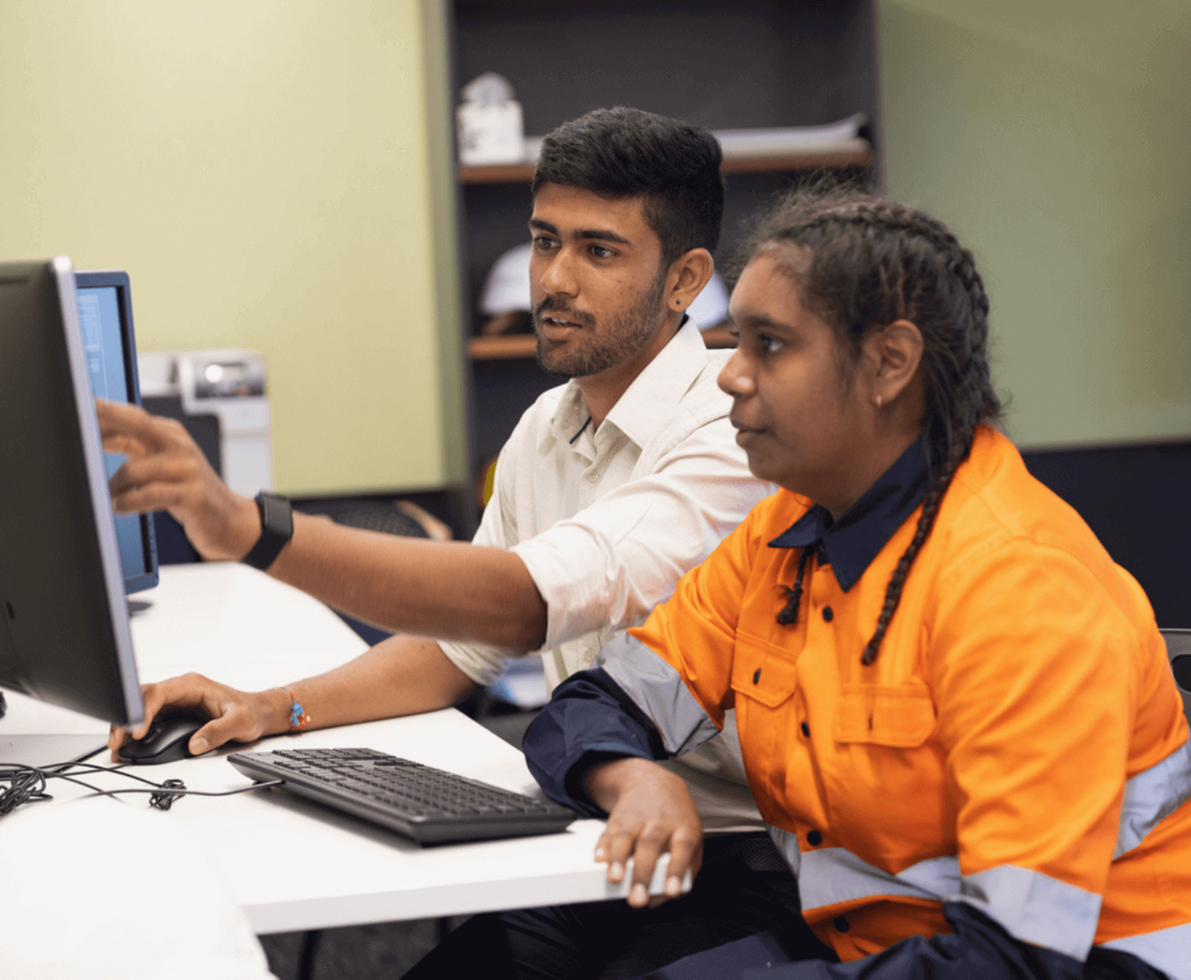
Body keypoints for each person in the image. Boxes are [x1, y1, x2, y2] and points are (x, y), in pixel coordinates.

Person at [465, 187, 1190, 980]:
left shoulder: (1018, 586)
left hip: (1083, 960)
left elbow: (1012, 961)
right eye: (734, 340)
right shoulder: (784, 530)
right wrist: (634, 778)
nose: (728, 378)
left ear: (889, 364)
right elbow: (594, 706)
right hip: (867, 933)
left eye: (768, 346)